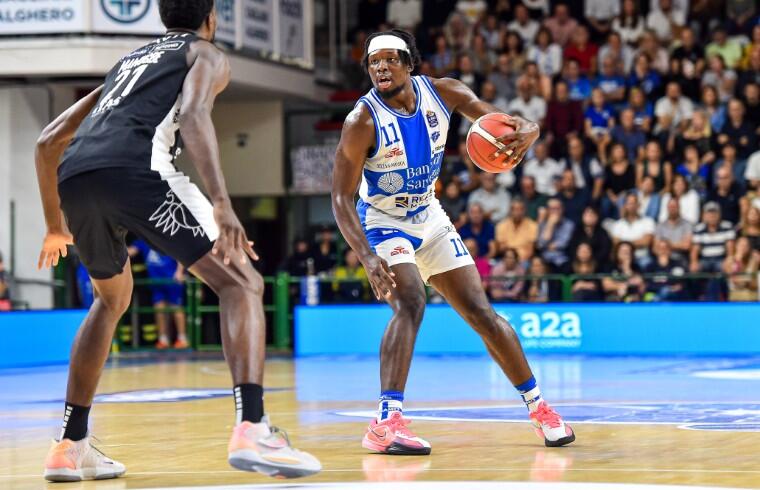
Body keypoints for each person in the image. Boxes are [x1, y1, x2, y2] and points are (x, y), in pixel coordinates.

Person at [34, 1, 319, 481]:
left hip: (77, 178)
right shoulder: (204, 53)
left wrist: (54, 226)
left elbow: (47, 142)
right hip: (139, 170)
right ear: (212, 18)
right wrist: (224, 204)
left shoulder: (126, 64)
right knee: (242, 283)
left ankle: (69, 444)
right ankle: (252, 425)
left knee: (109, 301)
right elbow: (193, 114)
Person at [331, 29, 575, 455]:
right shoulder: (362, 120)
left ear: (410, 63)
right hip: (385, 221)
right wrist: (367, 257)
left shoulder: (443, 92)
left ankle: (540, 410)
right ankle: (385, 424)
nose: (381, 68)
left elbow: (506, 124)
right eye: (374, 63)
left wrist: (529, 130)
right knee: (410, 301)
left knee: (482, 313)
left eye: (390, 59)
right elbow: (338, 196)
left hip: (428, 214)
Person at [128, 240, 189, 349]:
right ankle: (163, 339)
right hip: (156, 281)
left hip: (172, 280)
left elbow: (181, 254)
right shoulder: (143, 240)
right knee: (159, 309)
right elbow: (130, 252)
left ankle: (182, 338)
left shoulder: (167, 237)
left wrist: (180, 272)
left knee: (176, 308)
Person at [690, 202, 736, 300]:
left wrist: (729, 259)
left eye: (714, 213)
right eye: (709, 213)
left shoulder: (727, 226)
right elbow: (695, 249)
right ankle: (696, 298)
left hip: (721, 259)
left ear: (719, 214)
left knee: (723, 271)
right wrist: (694, 262)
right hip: (705, 259)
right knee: (694, 271)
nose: (712, 216)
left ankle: (724, 298)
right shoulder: (699, 228)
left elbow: (730, 247)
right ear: (704, 215)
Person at [608, 192, 656, 268]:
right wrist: (636, 242)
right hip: (621, 260)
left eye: (634, 203)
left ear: (639, 205)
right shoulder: (618, 224)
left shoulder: (648, 221)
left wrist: (624, 244)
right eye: (629, 203)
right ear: (625, 206)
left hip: (641, 258)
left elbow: (646, 241)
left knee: (647, 264)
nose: (632, 206)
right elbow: (616, 243)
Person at [495, 198, 538, 263]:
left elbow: (530, 250)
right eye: (515, 209)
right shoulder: (501, 226)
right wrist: (512, 257)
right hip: (506, 260)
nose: (518, 212)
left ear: (524, 211)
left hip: (524, 260)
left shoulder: (533, 226)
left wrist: (519, 260)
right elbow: (501, 248)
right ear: (510, 211)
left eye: (520, 209)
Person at [723, 236, 759, 302]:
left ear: (749, 248)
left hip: (752, 297)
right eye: (741, 245)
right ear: (736, 246)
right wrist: (738, 260)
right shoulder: (729, 261)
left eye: (746, 245)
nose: (743, 248)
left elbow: (752, 282)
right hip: (736, 297)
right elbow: (736, 281)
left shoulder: (754, 259)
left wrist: (754, 261)